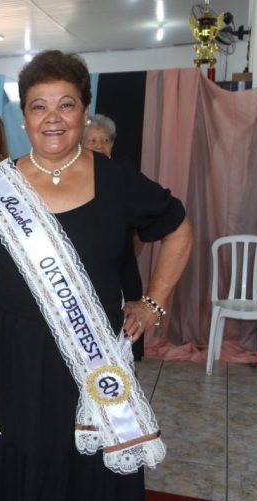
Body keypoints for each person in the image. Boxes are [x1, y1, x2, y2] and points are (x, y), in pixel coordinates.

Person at [0, 50, 194, 501]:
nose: (52, 118)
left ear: (84, 112)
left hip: (92, 351)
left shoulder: (117, 179)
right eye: (38, 106)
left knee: (89, 465)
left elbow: (179, 229)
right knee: (21, 459)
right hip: (15, 354)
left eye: (65, 104)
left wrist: (154, 304)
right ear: (24, 117)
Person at [86, 113, 146, 361]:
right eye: (92, 141)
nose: (100, 146)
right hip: (84, 274)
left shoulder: (124, 174)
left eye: (106, 140)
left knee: (125, 346)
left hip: (122, 272)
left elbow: (142, 227)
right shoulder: (70, 180)